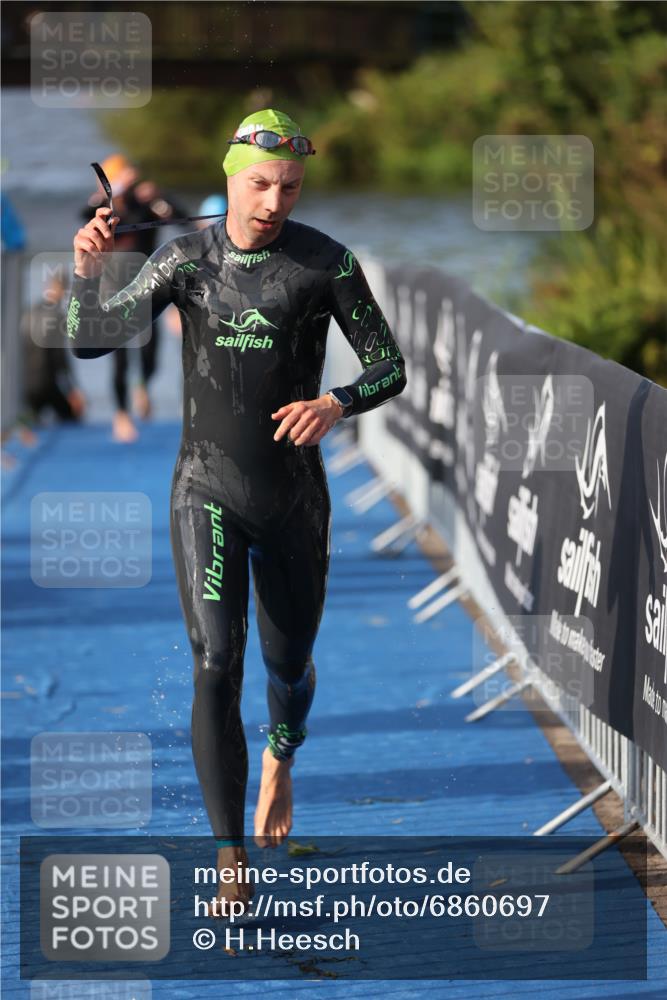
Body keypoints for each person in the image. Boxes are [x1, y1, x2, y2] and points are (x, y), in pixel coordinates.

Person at [68, 108, 407, 917]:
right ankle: (230, 858)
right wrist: (88, 274)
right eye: (260, 184)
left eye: (288, 186)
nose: (273, 201)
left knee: (287, 667)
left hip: (293, 500)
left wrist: (336, 402)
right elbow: (89, 341)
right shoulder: (186, 257)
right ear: (229, 178)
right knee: (216, 663)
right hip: (206, 489)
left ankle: (281, 754)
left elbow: (388, 365)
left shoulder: (326, 262)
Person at [80, 154, 188, 442]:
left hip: (146, 288)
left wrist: (158, 197)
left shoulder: (146, 205)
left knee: (149, 356)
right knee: (118, 358)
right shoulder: (103, 207)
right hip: (111, 288)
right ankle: (122, 416)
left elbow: (181, 219)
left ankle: (143, 385)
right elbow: (83, 215)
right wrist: (106, 196)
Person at [19, 268, 86, 427]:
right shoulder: (58, 316)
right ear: (64, 290)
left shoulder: (29, 313)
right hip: (48, 385)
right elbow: (59, 359)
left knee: (31, 424)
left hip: (26, 384)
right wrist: (72, 391)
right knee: (73, 419)